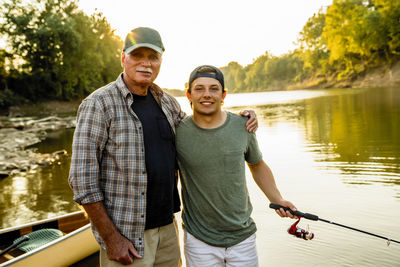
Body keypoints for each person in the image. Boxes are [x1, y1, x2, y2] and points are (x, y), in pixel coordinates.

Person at [68, 27, 257, 267]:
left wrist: (241, 119)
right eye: (138, 56)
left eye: (153, 57)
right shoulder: (98, 104)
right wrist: (111, 238)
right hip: (127, 236)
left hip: (168, 229)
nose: (146, 63)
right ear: (124, 57)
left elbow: (201, 128)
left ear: (161, 61)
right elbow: (82, 181)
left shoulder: (167, 103)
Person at [176, 65, 297, 267]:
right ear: (188, 94)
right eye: (199, 89)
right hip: (199, 239)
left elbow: (257, 165)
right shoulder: (177, 132)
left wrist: (278, 199)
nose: (207, 95)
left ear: (223, 95)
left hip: (242, 237)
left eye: (214, 89)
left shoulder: (243, 125)